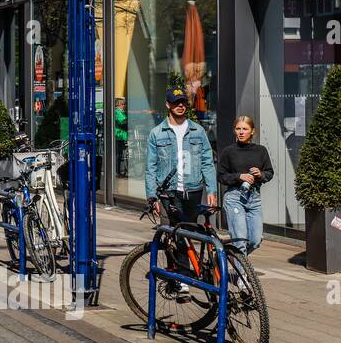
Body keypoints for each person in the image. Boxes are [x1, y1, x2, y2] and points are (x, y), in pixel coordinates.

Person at [144, 86, 217, 225]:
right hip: (169, 192)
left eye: (183, 102)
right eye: (176, 102)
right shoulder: (157, 133)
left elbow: (207, 162)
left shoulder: (198, 131)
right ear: (167, 104)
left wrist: (211, 190)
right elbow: (150, 168)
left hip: (194, 190)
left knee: (190, 231)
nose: (180, 105)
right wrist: (152, 197)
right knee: (175, 233)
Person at [218, 116, 273, 255]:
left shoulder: (261, 151)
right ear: (234, 131)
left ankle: (229, 257)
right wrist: (239, 176)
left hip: (254, 198)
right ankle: (241, 275)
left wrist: (260, 174)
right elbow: (221, 176)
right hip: (234, 197)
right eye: (238, 129)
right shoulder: (229, 151)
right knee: (240, 241)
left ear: (252, 131)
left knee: (256, 240)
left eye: (245, 129)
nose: (241, 132)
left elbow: (270, 172)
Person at [114, 97, 129, 178]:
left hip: (123, 136)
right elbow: (121, 122)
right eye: (123, 104)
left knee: (122, 154)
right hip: (118, 136)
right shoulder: (116, 112)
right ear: (119, 105)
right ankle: (117, 171)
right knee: (118, 155)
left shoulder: (122, 112)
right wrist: (128, 121)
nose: (124, 106)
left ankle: (122, 170)